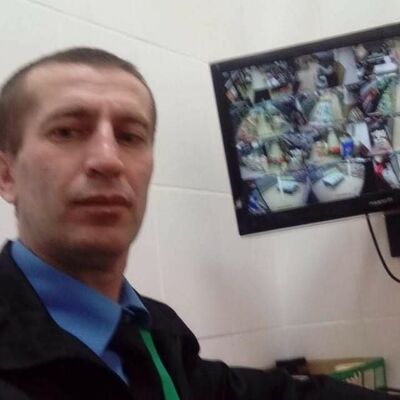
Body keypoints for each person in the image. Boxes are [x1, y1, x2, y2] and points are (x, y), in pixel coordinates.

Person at [0, 48, 393, 400]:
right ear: (6, 175)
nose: (108, 159)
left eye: (130, 136)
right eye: (66, 132)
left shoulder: (154, 333)